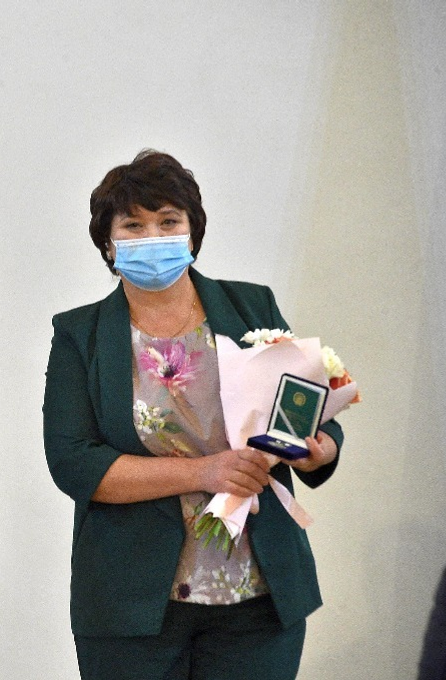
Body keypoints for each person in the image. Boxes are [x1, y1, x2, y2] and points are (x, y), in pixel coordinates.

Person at [42, 150, 344, 680]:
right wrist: (204, 472)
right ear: (109, 243)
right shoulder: (79, 334)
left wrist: (320, 449)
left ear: (192, 232)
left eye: (168, 221)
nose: (152, 237)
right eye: (133, 225)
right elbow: (74, 462)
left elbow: (306, 406)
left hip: (259, 594)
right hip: (131, 603)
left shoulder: (251, 307)